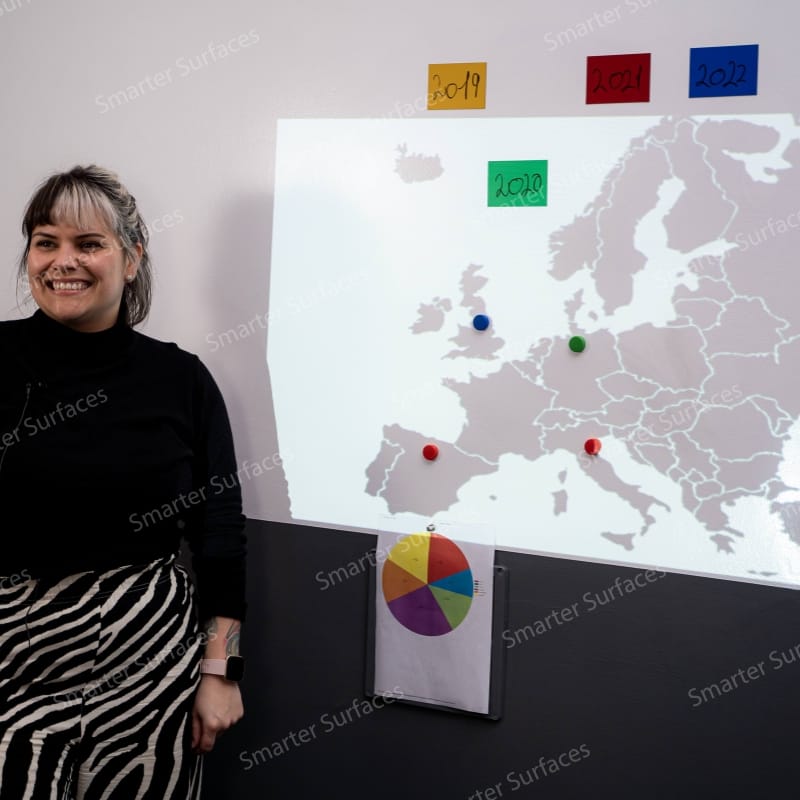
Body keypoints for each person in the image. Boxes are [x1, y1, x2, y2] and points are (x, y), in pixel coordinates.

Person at [0, 165, 247, 799]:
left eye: (89, 244)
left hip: (148, 663)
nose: (64, 262)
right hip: (13, 656)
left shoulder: (181, 379)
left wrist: (220, 670)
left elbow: (219, 533)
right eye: (46, 241)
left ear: (131, 258)